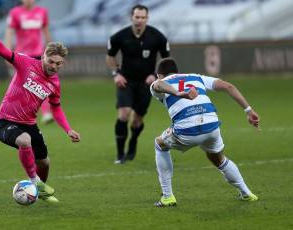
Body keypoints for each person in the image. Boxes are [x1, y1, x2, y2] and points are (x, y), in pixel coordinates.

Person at [0, 17, 81, 203]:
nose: (54, 67)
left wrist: (68, 129)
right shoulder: (25, 63)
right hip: (5, 121)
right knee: (24, 141)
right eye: (51, 62)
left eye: (59, 64)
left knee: (44, 162)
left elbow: (56, 109)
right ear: (43, 56)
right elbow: (2, 50)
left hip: (30, 124)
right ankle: (35, 182)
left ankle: (39, 191)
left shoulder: (55, 83)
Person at [150, 57, 260, 207]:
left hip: (187, 130)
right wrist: (248, 110)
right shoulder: (196, 77)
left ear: (159, 75)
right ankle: (247, 193)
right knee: (219, 159)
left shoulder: (161, 82)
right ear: (178, 72)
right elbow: (228, 86)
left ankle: (167, 197)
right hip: (212, 126)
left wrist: (179, 93)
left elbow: (158, 85)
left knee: (160, 144)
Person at [106, 4, 170, 164]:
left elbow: (166, 60)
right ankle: (120, 154)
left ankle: (133, 141)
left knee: (137, 120)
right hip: (125, 81)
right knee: (124, 114)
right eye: (137, 17)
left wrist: (156, 76)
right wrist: (116, 73)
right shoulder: (119, 36)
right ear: (131, 17)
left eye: (143, 17)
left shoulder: (157, 37)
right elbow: (110, 56)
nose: (140, 20)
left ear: (147, 18)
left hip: (146, 84)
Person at [4, 0, 53, 124]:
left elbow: (46, 33)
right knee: (21, 86)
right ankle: (14, 113)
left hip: (38, 54)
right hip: (22, 56)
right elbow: (9, 34)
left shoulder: (42, 12)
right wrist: (8, 54)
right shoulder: (15, 13)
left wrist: (51, 52)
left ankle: (46, 113)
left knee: (42, 84)